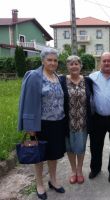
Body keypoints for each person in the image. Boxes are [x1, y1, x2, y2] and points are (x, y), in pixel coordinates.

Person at [18, 48, 66, 200]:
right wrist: (30, 127)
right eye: (49, 60)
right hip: (40, 124)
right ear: (43, 61)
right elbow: (28, 101)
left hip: (57, 122)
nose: (53, 63)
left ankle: (53, 180)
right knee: (39, 155)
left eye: (55, 60)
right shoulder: (34, 76)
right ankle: (39, 184)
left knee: (54, 154)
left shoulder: (57, 77)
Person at [88, 52, 110, 182]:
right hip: (97, 118)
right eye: (104, 61)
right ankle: (95, 169)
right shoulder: (92, 77)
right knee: (95, 145)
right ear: (100, 63)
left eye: (109, 61)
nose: (106, 63)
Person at [59, 55, 94, 184]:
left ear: (81, 66)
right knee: (70, 148)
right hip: (67, 121)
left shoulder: (88, 81)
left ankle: (79, 170)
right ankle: (73, 170)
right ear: (67, 66)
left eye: (76, 64)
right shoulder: (61, 80)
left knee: (81, 147)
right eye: (71, 64)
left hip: (83, 122)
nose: (74, 66)